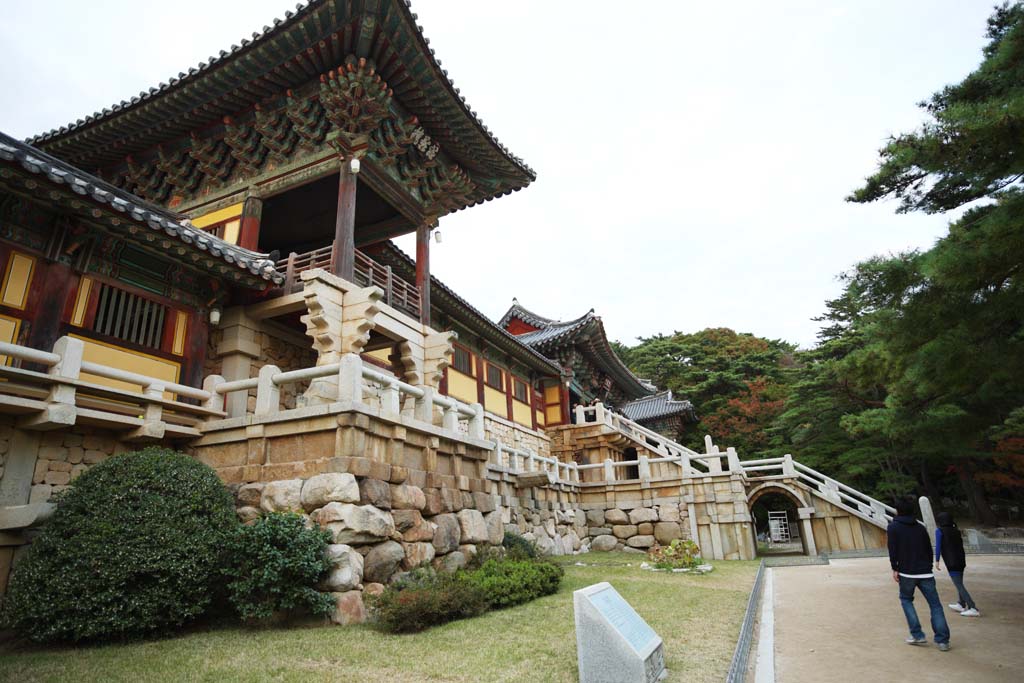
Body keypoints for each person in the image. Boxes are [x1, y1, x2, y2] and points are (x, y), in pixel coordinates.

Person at [887, 496, 951, 651]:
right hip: (925, 572)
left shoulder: (894, 527)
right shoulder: (920, 527)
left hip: (906, 572)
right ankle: (942, 640)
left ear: (898, 510)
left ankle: (917, 634)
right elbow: (928, 549)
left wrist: (894, 568)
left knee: (906, 599)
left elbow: (893, 549)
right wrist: (928, 565)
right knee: (935, 605)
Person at [935, 511, 981, 617]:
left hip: (951, 562)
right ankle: (961, 603)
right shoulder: (956, 530)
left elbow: (938, 546)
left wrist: (937, 560)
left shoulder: (939, 531)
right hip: (960, 560)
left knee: (959, 585)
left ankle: (973, 607)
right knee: (959, 582)